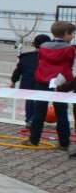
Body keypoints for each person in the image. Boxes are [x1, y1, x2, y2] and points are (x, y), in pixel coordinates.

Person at [28, 20, 75, 149]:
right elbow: (70, 64)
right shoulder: (69, 49)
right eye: (72, 34)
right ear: (66, 33)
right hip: (61, 83)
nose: (73, 37)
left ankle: (33, 139)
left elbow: (40, 60)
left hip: (42, 80)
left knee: (39, 111)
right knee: (61, 113)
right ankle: (64, 142)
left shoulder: (43, 47)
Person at [11, 34, 50, 124]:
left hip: (27, 83)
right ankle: (34, 119)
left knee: (29, 101)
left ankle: (29, 120)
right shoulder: (49, 58)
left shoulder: (26, 57)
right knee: (41, 103)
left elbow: (18, 70)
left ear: (34, 44)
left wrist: (13, 81)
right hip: (43, 83)